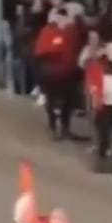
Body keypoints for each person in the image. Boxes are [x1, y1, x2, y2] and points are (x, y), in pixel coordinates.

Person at [33, 9, 83, 141]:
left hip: (67, 72)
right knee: (53, 101)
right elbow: (42, 51)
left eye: (63, 19)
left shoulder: (71, 31)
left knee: (67, 101)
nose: (61, 21)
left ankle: (64, 129)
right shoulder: (48, 31)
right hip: (52, 73)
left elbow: (74, 46)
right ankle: (54, 128)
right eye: (58, 18)